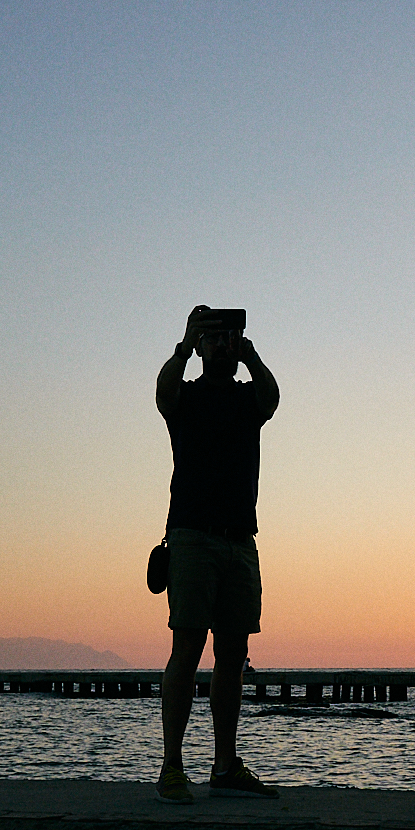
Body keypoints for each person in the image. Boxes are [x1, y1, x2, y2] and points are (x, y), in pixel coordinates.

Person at [155, 305, 281, 804]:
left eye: (225, 337)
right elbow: (162, 392)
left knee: (233, 653)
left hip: (239, 541)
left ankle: (225, 765)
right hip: (191, 536)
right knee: (186, 649)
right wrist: (185, 342)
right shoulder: (184, 397)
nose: (220, 345)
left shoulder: (248, 398)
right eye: (213, 338)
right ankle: (171, 767)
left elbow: (273, 399)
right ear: (199, 346)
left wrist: (247, 352)